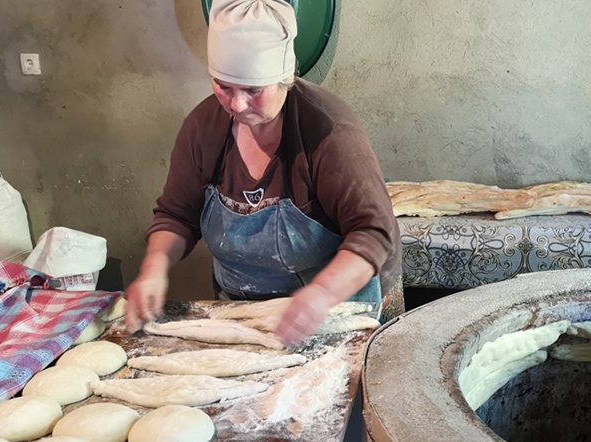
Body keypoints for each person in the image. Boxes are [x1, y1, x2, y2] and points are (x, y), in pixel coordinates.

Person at [124, 0, 402, 346]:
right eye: (224, 86)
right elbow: (177, 215)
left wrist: (320, 295)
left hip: (333, 313)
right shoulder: (202, 128)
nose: (237, 105)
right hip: (241, 315)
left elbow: (373, 232)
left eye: (254, 90)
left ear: (284, 78)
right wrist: (154, 267)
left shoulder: (327, 130)